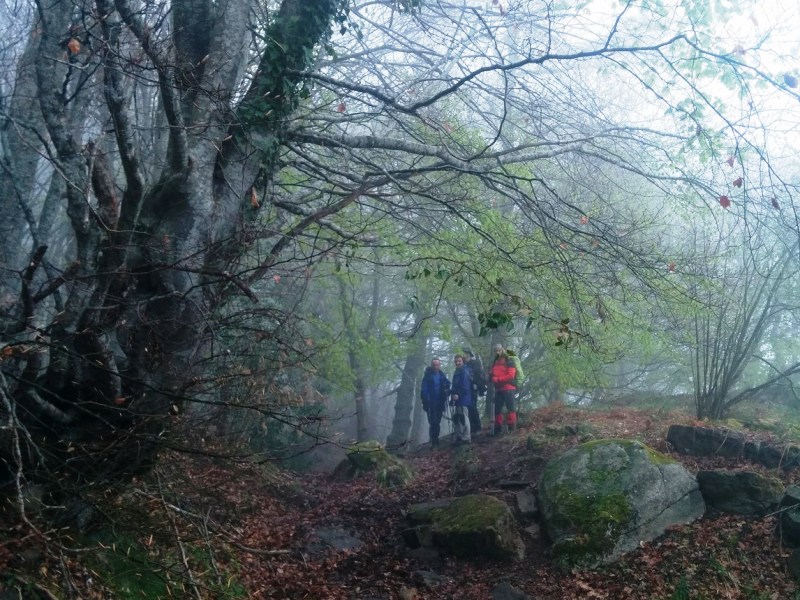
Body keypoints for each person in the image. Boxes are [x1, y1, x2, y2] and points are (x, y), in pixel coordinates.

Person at [420, 358, 450, 448]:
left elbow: (447, 383)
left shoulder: (442, 375)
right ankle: (434, 441)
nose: (436, 367)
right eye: (434, 365)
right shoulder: (427, 376)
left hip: (440, 402)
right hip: (431, 402)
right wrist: (426, 398)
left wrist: (447, 389)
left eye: (437, 365)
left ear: (439, 365)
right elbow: (424, 388)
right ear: (431, 365)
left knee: (438, 420)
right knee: (433, 421)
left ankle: (434, 439)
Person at [489, 343, 518, 435]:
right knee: (497, 410)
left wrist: (498, 379)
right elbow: (491, 373)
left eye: (499, 350)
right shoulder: (495, 362)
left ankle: (511, 428)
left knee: (511, 408)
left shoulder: (509, 360)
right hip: (498, 389)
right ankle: (497, 429)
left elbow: (511, 375)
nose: (497, 352)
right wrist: (491, 377)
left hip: (508, 387)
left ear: (502, 349)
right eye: (496, 351)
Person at [449, 354, 473, 445]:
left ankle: (466, 437)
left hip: (463, 398)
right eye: (456, 361)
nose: (457, 363)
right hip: (458, 398)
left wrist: (458, 395)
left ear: (463, 361)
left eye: (459, 361)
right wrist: (452, 392)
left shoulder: (464, 371)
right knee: (458, 417)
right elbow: (456, 385)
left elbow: (465, 387)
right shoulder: (457, 371)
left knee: (464, 417)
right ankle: (460, 436)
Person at [462, 348, 486, 435]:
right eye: (464, 354)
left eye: (467, 354)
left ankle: (477, 427)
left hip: (473, 389)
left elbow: (479, 375)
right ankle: (471, 428)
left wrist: (479, 387)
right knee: (467, 409)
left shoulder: (475, 363)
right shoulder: (462, 364)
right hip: (465, 390)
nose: (465, 356)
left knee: (473, 407)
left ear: (470, 355)